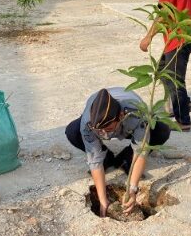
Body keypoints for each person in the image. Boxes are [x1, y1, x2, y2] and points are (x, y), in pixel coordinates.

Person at [65, 88, 171, 216]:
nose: (104, 134)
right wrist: (103, 200)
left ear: (121, 116)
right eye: (99, 131)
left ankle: (127, 158)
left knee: (162, 130)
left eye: (107, 128)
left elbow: (141, 151)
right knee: (72, 132)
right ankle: (107, 158)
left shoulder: (136, 114)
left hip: (128, 125)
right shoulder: (88, 123)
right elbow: (94, 160)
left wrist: (132, 190)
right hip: (101, 123)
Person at [139, 0, 191, 131]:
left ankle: (183, 121)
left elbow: (163, 14)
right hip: (189, 36)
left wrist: (147, 37)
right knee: (162, 71)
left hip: (178, 39)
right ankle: (184, 104)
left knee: (175, 80)